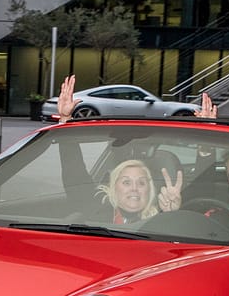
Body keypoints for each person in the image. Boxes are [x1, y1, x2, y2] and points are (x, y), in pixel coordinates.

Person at [55, 74, 183, 214]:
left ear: (150, 189)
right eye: (126, 182)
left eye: (141, 183)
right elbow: (74, 171)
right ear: (113, 188)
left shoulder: (161, 220)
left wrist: (171, 214)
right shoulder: (95, 209)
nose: (134, 188)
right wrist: (65, 119)